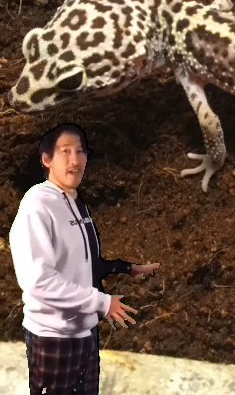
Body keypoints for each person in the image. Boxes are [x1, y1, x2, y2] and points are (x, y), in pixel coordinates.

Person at [9, 123, 160, 395]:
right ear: (46, 159)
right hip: (53, 337)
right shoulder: (38, 206)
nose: (75, 160)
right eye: (65, 151)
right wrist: (101, 302)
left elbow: (85, 262)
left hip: (85, 332)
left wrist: (127, 269)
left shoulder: (76, 204)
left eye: (80, 152)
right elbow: (38, 281)